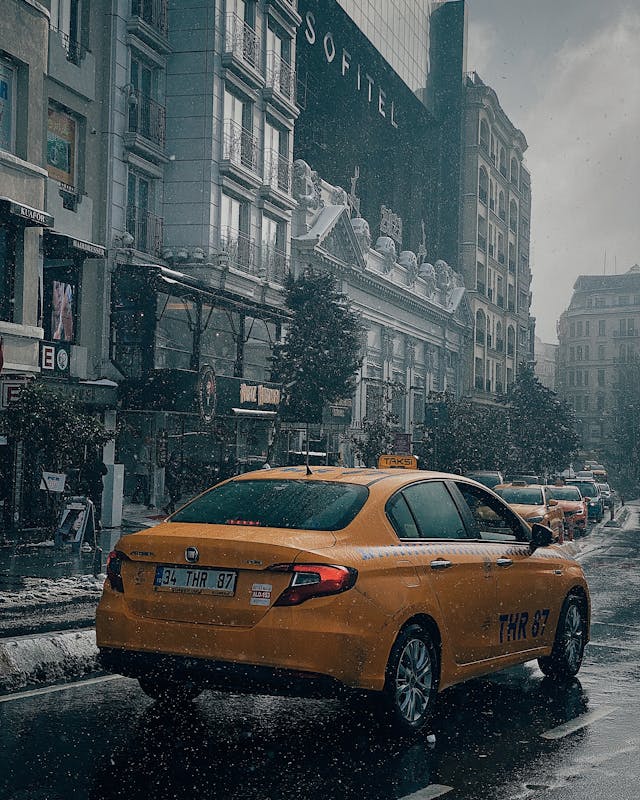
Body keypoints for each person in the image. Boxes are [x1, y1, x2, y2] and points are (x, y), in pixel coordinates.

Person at [79, 453, 108, 529]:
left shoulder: (86, 465)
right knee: (97, 505)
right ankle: (95, 522)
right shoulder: (98, 464)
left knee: (90, 505)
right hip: (96, 486)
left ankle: (90, 522)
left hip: (90, 487)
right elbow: (105, 472)